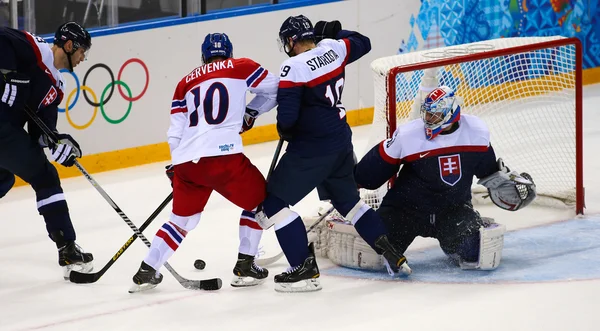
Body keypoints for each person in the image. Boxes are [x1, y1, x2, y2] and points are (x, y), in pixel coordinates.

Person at [257, 16, 411, 293]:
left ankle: (303, 271)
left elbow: (288, 119)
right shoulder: (334, 48)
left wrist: (286, 131)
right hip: (341, 139)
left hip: (313, 147)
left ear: (291, 41)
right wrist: (335, 32)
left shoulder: (293, 66)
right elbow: (363, 42)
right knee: (349, 203)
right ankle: (392, 253)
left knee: (273, 204)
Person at [129, 32, 279, 293]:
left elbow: (175, 132)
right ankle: (245, 265)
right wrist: (250, 112)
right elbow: (276, 89)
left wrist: (176, 164)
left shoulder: (184, 83)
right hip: (224, 157)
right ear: (229, 52)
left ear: (203, 56)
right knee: (261, 204)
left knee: (181, 221)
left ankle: (147, 270)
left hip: (188, 162)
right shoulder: (242, 66)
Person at [349, 84, 537, 272]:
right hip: (406, 210)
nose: (428, 119)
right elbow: (377, 167)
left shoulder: (476, 132)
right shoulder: (408, 135)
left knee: (475, 252)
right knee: (373, 254)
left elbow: (487, 171)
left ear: (451, 114)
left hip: (453, 210)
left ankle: (456, 238)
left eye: (434, 115)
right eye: (427, 114)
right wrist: (354, 181)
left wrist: (504, 181)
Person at [0, 22, 93, 278]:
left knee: (4, 179)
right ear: (69, 45)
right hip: (2, 129)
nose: (84, 57)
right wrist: (8, 73)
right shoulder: (37, 49)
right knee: (45, 177)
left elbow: (40, 132)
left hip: (7, 134)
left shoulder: (57, 87)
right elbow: (2, 38)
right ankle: (67, 247)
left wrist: (57, 142)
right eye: (83, 50)